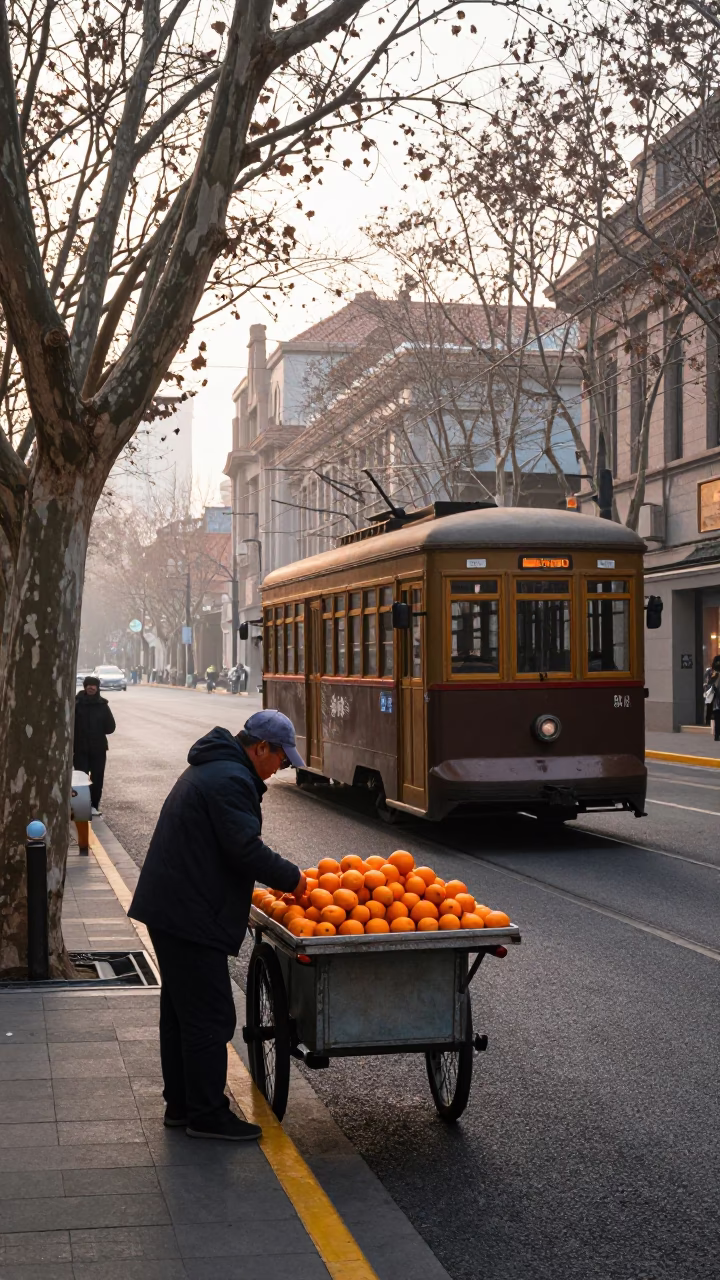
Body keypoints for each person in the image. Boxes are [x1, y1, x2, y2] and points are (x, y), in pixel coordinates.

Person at [128, 709, 306, 1142]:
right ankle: (206, 1115)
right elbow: (244, 848)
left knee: (181, 1013)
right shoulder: (230, 779)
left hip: (175, 906)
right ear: (260, 747)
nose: (282, 767)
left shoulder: (218, 767)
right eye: (281, 757)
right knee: (210, 1017)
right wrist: (295, 879)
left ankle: (182, 1106)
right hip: (189, 912)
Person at [73, 675, 116, 814]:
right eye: (89, 685)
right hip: (80, 748)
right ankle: (80, 808)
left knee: (97, 778)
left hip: (98, 749)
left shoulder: (103, 705)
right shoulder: (76, 703)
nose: (91, 687)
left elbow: (110, 727)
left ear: (97, 688)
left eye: (94, 685)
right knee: (80, 778)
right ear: (85, 687)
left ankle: (93, 806)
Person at [704, 655, 720, 739]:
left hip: (714, 699)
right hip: (716, 699)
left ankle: (716, 735)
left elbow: (707, 684)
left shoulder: (710, 671)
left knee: (716, 717)